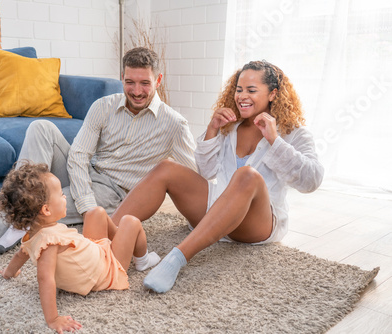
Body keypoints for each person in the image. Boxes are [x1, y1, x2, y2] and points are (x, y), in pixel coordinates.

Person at [0, 46, 196, 255]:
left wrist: (90, 207)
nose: (136, 90)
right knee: (41, 128)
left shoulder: (174, 124)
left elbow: (192, 176)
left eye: (144, 83)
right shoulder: (105, 106)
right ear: (123, 78)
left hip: (114, 194)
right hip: (87, 175)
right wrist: (83, 195)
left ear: (158, 80)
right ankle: (17, 208)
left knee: (38, 208)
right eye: (130, 82)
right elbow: (78, 155)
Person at [110, 60, 325, 293]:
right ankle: (101, 239)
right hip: (215, 213)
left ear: (273, 94)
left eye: (251, 90)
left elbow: (311, 181)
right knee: (166, 167)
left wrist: (275, 140)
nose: (242, 96)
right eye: (239, 89)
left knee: (247, 176)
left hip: (257, 226)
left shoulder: (293, 132)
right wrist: (213, 128)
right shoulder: (230, 126)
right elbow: (206, 172)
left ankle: (176, 258)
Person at [0, 162, 160, 333]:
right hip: (106, 270)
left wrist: (10, 273)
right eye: (61, 194)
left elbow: (20, 255)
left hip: (94, 253)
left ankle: (121, 241)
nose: (65, 197)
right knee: (130, 222)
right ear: (46, 210)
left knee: (96, 212)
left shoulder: (34, 235)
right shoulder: (49, 243)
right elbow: (45, 280)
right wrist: (53, 319)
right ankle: (142, 260)